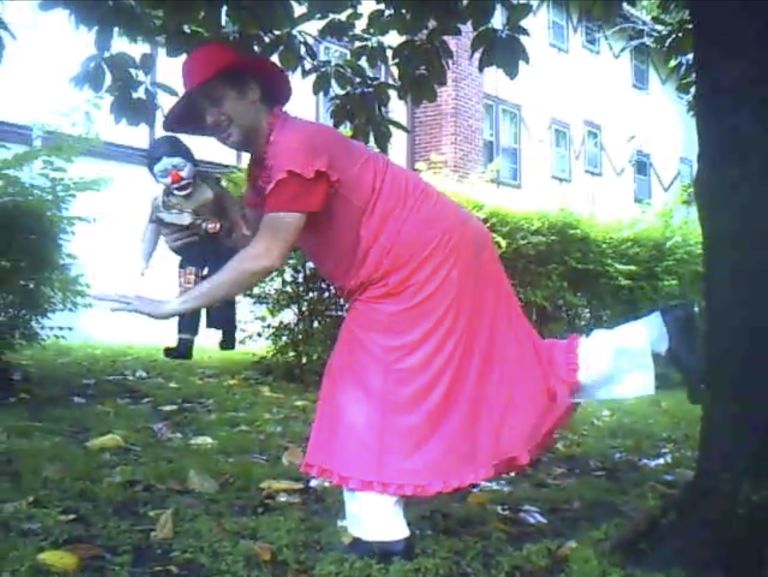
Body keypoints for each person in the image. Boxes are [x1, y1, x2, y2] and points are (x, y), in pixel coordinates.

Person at [97, 41, 702, 562]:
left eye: (218, 102)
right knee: (502, 372)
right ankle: (659, 334)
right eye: (203, 114)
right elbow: (247, 240)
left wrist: (173, 309)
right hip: (421, 258)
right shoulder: (267, 166)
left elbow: (265, 256)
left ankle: (378, 534)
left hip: (418, 263)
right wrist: (215, 208)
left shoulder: (296, 149)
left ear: (252, 91)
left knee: (361, 387)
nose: (213, 118)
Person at [140, 134, 251, 360]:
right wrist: (144, 259)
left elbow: (235, 213)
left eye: (179, 167)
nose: (175, 177)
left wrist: (241, 233)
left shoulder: (213, 189)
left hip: (221, 246)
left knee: (221, 287)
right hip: (191, 253)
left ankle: (227, 332)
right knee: (188, 293)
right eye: (164, 173)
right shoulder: (162, 204)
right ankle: (184, 344)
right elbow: (152, 229)